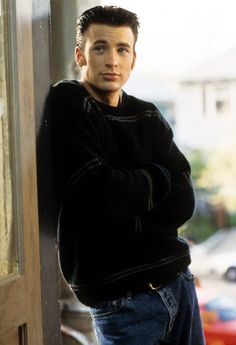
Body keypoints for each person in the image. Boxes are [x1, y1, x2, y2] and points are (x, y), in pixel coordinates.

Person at [48, 5, 205, 345]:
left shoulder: (146, 115)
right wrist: (156, 180)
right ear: (80, 55)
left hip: (178, 283)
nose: (112, 60)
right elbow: (96, 192)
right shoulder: (70, 103)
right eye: (100, 47)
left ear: (133, 59)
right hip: (124, 304)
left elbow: (184, 199)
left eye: (122, 50)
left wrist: (129, 202)